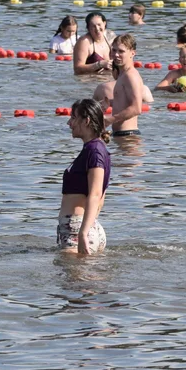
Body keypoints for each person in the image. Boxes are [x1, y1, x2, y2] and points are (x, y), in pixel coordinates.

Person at [58, 98, 110, 255]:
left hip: (76, 230)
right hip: (82, 228)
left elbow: (95, 194)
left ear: (86, 121)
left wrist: (82, 233)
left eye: (73, 117)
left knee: (72, 280)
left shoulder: (94, 151)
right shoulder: (95, 149)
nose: (69, 123)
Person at [103, 34, 144, 137]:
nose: (116, 55)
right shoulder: (122, 74)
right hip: (121, 135)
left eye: (121, 51)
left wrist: (110, 120)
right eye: (114, 50)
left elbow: (136, 108)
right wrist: (108, 103)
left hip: (128, 136)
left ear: (132, 53)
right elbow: (124, 102)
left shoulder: (131, 76)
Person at [72, 12, 115, 76]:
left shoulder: (110, 36)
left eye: (99, 24)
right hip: (90, 82)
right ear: (88, 28)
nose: (97, 29)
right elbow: (77, 69)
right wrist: (99, 64)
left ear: (104, 23)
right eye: (93, 26)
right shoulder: (84, 42)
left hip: (108, 80)